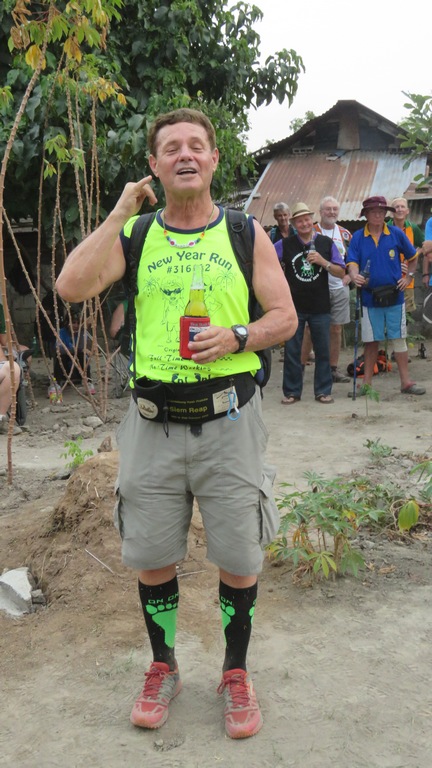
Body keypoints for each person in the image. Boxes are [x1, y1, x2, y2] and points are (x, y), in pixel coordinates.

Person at [55, 108, 298, 739]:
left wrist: (239, 335)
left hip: (230, 420)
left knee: (239, 555)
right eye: (171, 148)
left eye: (196, 145)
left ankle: (235, 671)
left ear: (214, 159)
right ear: (155, 166)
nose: (185, 154)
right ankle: (163, 664)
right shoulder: (135, 236)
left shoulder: (243, 232)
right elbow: (70, 286)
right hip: (150, 425)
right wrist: (118, 212)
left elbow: (284, 317)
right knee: (153, 555)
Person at [347, 196, 426, 396]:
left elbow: (413, 257)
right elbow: (352, 262)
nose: (378, 215)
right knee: (371, 341)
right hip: (369, 297)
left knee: (398, 338)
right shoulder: (358, 237)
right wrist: (354, 276)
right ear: (366, 214)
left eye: (381, 211)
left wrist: (408, 277)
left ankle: (406, 382)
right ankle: (366, 384)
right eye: (373, 211)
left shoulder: (396, 233)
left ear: (385, 214)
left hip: (395, 296)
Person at [274, 202, 345, 404]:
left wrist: (323, 262)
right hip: (294, 306)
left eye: (306, 219)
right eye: (299, 221)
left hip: (320, 305)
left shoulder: (325, 243)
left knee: (323, 350)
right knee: (292, 350)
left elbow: (341, 272)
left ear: (312, 221)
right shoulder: (285, 244)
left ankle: (323, 391)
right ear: (294, 224)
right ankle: (291, 392)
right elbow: (267, 260)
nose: (304, 224)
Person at [314, 196, 352, 384]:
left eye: (335, 209)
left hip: (339, 287)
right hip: (315, 288)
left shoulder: (344, 234)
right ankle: (305, 366)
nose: (331, 212)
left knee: (336, 329)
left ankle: (333, 368)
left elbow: (353, 258)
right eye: (328, 209)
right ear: (320, 212)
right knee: (311, 329)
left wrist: (349, 276)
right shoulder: (312, 231)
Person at [387, 197, 424, 313]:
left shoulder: (413, 228)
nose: (399, 209)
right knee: (390, 310)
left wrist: (413, 257)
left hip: (407, 278)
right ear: (392, 212)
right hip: (389, 277)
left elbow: (424, 245)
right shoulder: (385, 228)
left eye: (402, 207)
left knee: (407, 313)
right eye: (396, 207)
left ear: (407, 211)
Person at [54, 309, 95, 393]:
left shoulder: (82, 332)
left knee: (82, 356)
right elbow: (59, 349)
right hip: (65, 363)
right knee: (60, 357)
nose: (76, 325)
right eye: (73, 322)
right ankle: (57, 384)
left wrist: (82, 330)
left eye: (78, 323)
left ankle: (88, 383)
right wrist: (75, 349)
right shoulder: (61, 332)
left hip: (78, 364)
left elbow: (81, 347)